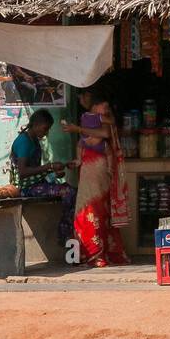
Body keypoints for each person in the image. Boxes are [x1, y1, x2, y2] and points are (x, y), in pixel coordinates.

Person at [61, 94, 130, 267]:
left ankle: (97, 254)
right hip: (88, 167)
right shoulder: (87, 118)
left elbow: (105, 132)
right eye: (104, 107)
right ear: (95, 105)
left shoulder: (100, 120)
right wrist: (77, 160)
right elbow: (84, 142)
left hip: (97, 168)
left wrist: (78, 130)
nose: (106, 111)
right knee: (87, 210)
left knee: (95, 209)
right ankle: (91, 253)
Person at [10, 111, 75, 243]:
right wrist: (49, 167)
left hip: (36, 183)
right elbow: (23, 172)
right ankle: (65, 233)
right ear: (36, 124)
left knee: (70, 189)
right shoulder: (24, 141)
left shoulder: (33, 139)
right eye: (45, 128)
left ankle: (69, 230)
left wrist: (54, 171)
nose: (46, 133)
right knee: (68, 192)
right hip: (25, 188)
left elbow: (35, 169)